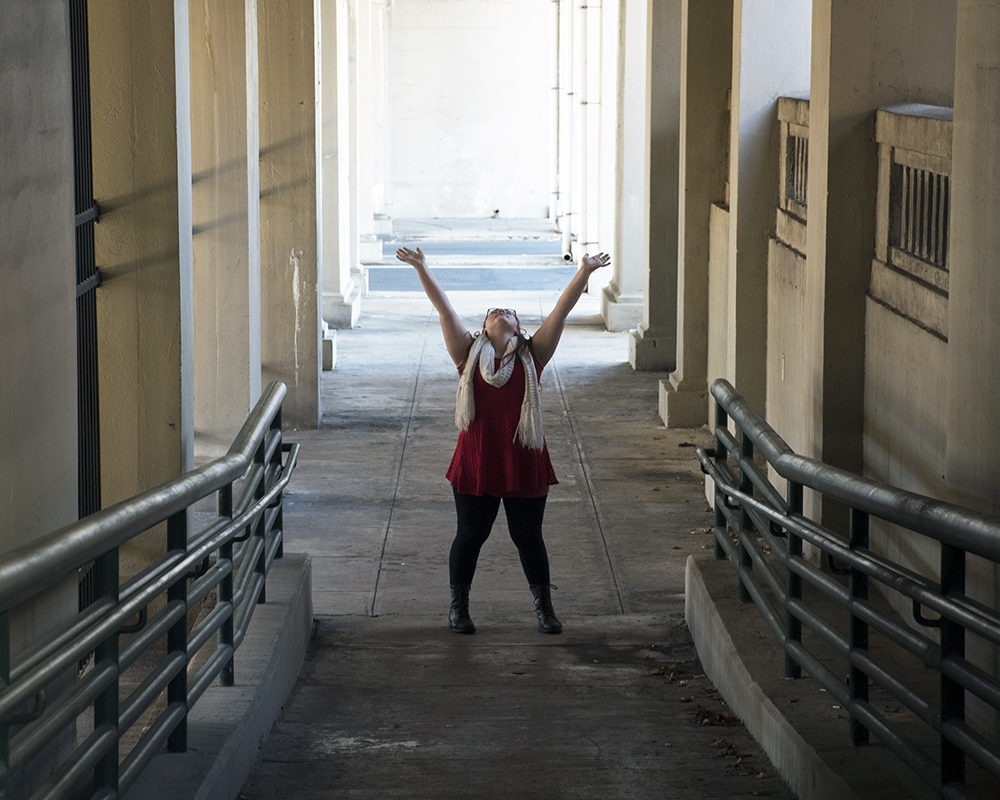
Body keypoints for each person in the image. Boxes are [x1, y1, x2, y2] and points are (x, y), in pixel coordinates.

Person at [395, 245, 610, 635]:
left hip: (524, 458)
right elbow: (444, 309)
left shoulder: (534, 354)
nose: (502, 311)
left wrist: (584, 272)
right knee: (471, 535)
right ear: (482, 327)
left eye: (509, 311)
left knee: (528, 537)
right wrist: (422, 268)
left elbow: (560, 311)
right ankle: (458, 608)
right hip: (478, 459)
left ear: (519, 327)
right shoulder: (466, 351)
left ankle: (544, 608)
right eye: (494, 310)